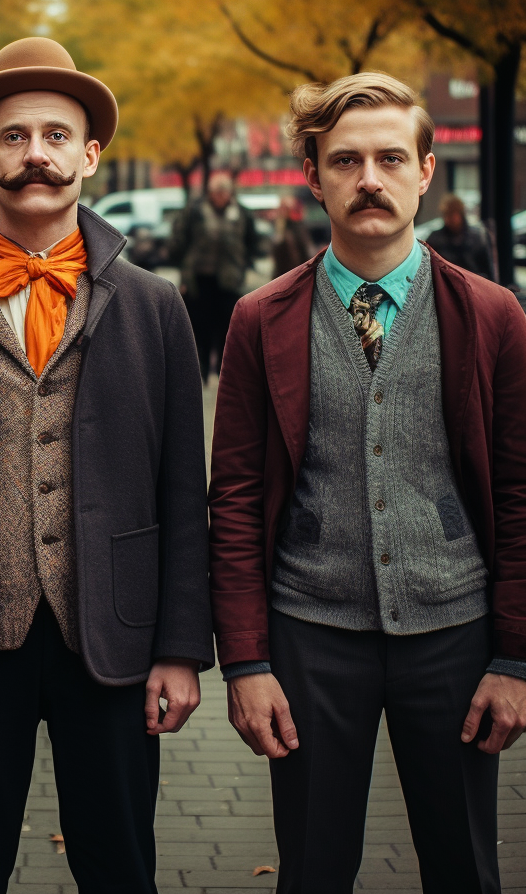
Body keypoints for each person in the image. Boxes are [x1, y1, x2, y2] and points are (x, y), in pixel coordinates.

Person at [0, 37, 213, 894]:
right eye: (14, 137)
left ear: (90, 155)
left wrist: (180, 647)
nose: (37, 156)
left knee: (120, 865)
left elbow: (183, 493)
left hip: (116, 637)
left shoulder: (158, 308)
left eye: (57, 136)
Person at [208, 72, 526, 893]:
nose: (370, 180)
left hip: (455, 635)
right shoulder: (261, 318)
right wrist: (244, 662)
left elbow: (523, 495)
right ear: (313, 177)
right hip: (308, 635)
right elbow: (236, 499)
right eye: (345, 161)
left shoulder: (492, 317)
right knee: (312, 870)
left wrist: (515, 660)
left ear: (426, 170)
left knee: (465, 869)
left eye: (391, 158)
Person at [170, 171, 260, 382]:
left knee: (227, 326)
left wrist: (243, 265)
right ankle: (200, 370)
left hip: (229, 280)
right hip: (199, 279)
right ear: (209, 193)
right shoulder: (196, 211)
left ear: (230, 193)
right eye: (216, 192)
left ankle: (222, 370)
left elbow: (252, 242)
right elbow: (179, 241)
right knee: (200, 326)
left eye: (224, 191)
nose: (220, 196)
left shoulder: (241, 213)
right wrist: (184, 271)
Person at [426, 193, 494, 279]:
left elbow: (488, 272)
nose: (450, 219)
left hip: (473, 285)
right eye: (447, 214)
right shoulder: (435, 239)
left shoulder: (478, 237)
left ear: (459, 214)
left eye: (452, 214)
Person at [271, 195, 315, 277]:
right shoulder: (280, 229)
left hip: (295, 276)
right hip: (286, 277)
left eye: (285, 208)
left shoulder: (297, 229)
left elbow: (307, 254)